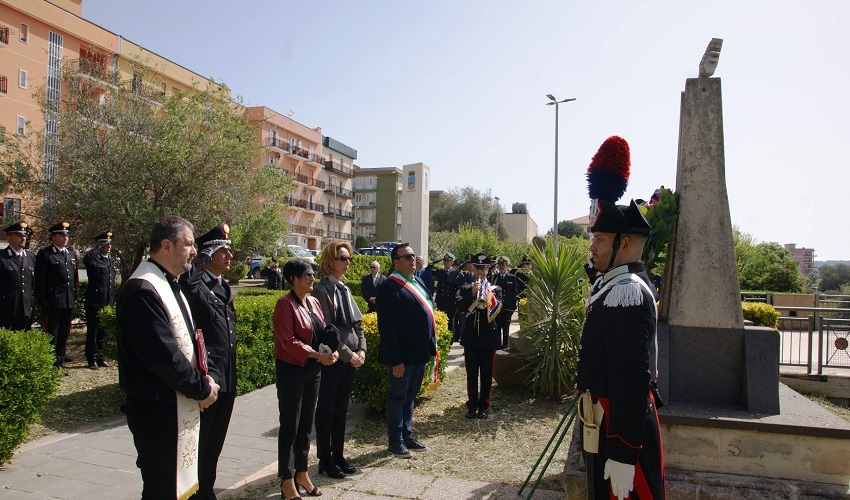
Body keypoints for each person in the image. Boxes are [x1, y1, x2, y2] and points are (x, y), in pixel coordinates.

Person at [579, 135, 665, 499]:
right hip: (603, 420)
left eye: (599, 239)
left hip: (619, 427)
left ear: (624, 244)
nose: (591, 247)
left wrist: (625, 453)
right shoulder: (615, 285)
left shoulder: (626, 294)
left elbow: (631, 381)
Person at [116, 216, 220, 500]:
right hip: (157, 411)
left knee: (178, 488)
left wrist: (207, 375)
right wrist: (202, 388)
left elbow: (192, 340)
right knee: (162, 489)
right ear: (166, 246)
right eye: (187, 244)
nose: (194, 251)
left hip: (174, 404)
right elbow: (164, 357)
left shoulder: (169, 283)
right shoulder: (142, 289)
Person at [179, 223, 237, 500]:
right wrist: (201, 257)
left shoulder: (222, 286)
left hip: (227, 374)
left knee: (216, 440)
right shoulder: (196, 283)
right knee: (202, 440)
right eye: (222, 250)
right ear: (209, 253)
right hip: (208, 373)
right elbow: (187, 283)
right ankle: (197, 490)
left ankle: (208, 488)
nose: (229, 257)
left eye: (229, 251)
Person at [273, 258, 338, 500]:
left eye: (312, 273)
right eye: (307, 274)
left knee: (305, 425)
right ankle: (287, 479)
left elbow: (321, 332)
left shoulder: (313, 302)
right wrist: (315, 355)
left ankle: (302, 472)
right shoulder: (284, 304)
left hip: (313, 371)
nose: (312, 278)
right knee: (290, 424)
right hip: (292, 371)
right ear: (293, 279)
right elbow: (287, 341)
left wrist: (329, 351)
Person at [311, 241, 366, 479]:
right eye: (343, 258)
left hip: (351, 358)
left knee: (341, 409)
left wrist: (362, 349)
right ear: (329, 261)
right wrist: (349, 354)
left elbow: (357, 325)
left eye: (349, 259)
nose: (347, 263)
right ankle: (326, 458)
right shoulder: (321, 290)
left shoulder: (345, 289)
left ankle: (339, 456)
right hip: (334, 359)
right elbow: (327, 329)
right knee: (326, 409)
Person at [376, 243, 436, 458]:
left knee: (410, 397)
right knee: (397, 398)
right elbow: (388, 328)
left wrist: (430, 349)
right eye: (408, 256)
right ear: (396, 262)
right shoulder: (388, 287)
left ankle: (407, 435)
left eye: (413, 256)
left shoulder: (417, 281)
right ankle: (395, 440)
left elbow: (428, 316)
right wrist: (396, 360)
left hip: (419, 354)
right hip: (402, 357)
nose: (413, 259)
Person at [456, 253, 502, 419]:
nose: (481, 271)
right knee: (472, 373)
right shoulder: (465, 287)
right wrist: (472, 294)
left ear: (488, 269)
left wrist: (486, 293)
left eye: (484, 268)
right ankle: (472, 405)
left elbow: (498, 311)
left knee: (486, 374)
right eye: (478, 268)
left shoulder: (496, 289)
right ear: (473, 268)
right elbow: (460, 307)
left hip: (488, 338)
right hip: (471, 337)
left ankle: (484, 405)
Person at [35, 222, 79, 368]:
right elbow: (40, 281)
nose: (65, 237)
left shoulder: (71, 254)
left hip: (68, 302)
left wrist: (75, 298)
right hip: (53, 302)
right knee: (51, 334)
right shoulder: (45, 254)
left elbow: (75, 280)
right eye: (61, 234)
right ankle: (50, 362)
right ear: (53, 237)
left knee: (63, 334)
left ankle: (59, 361)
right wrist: (44, 302)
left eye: (66, 234)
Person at [83, 231, 116, 370]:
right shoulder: (94, 259)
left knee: (103, 331)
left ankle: (101, 356)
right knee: (93, 331)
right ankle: (92, 358)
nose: (108, 247)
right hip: (95, 301)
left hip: (107, 300)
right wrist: (97, 248)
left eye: (109, 244)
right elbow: (87, 261)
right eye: (105, 244)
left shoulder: (109, 260)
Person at [0, 222, 35, 331]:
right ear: (9, 237)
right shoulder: (2, 257)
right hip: (6, 310)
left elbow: (33, 285)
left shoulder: (31, 258)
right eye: (19, 236)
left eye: (24, 236)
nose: (23, 238)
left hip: (25, 309)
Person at [491, 256, 518, 349]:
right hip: (497, 309)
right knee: (497, 329)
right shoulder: (494, 277)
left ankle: (505, 346)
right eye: (500, 265)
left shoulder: (512, 277)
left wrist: (513, 308)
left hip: (507, 308)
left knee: (506, 329)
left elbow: (515, 294)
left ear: (507, 265)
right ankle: (497, 347)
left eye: (503, 264)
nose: (501, 266)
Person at [428, 252, 458, 319]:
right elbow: (428, 269)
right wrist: (436, 261)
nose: (446, 263)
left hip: (450, 299)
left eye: (448, 261)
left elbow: (457, 287)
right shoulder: (440, 271)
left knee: (450, 320)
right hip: (440, 299)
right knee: (439, 318)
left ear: (452, 262)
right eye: (444, 261)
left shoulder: (454, 273)